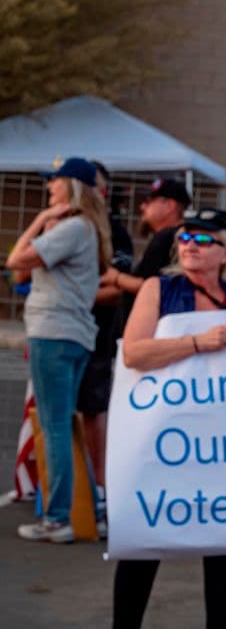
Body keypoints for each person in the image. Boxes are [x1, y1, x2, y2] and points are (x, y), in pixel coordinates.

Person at [112, 208, 226, 628]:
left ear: (225, 252)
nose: (189, 246)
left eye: (202, 239)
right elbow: (134, 352)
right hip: (162, 437)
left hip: (218, 442)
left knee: (223, 544)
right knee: (145, 538)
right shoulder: (159, 289)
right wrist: (197, 342)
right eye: (184, 238)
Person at [5, 157, 112, 543]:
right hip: (72, 333)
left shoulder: (73, 227)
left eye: (56, 181)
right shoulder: (85, 228)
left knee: (55, 426)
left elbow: (14, 260)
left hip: (54, 332)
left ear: (73, 186)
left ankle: (58, 518)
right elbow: (20, 273)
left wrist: (40, 220)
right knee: (63, 424)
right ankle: (90, 513)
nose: (50, 187)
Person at [78, 163, 134, 532]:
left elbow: (119, 287)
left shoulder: (114, 230)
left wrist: (73, 296)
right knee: (62, 415)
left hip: (97, 334)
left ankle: (99, 487)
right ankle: (72, 488)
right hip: (64, 331)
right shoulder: (66, 226)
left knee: (94, 409)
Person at [102, 177, 191, 313]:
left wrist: (115, 277)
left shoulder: (166, 238)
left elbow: (150, 285)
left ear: (170, 206)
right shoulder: (176, 236)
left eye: (149, 202)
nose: (142, 207)